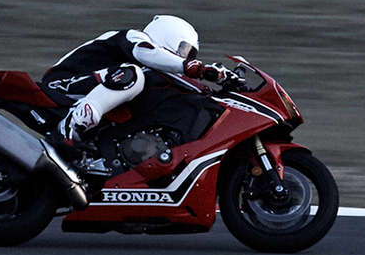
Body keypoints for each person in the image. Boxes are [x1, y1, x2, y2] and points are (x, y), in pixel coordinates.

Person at [39, 15, 231, 176]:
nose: (186, 57)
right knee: (131, 74)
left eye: (189, 55)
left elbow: (189, 86)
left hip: (90, 91)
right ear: (167, 35)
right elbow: (147, 53)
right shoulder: (133, 38)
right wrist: (192, 68)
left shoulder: (154, 69)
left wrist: (221, 85)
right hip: (61, 86)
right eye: (184, 50)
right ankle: (68, 127)